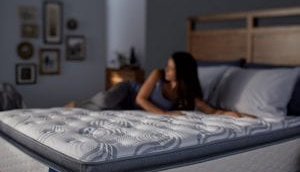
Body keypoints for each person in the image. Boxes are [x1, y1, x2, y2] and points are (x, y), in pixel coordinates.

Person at [68, 51, 251, 118]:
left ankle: (77, 107)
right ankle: (76, 104)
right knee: (105, 101)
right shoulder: (158, 74)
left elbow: (209, 110)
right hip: (129, 92)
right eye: (168, 66)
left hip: (132, 110)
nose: (167, 70)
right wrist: (164, 113)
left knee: (102, 113)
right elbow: (140, 99)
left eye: (171, 68)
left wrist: (234, 114)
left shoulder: (186, 93)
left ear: (182, 72)